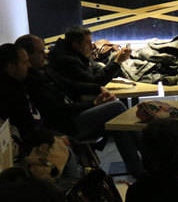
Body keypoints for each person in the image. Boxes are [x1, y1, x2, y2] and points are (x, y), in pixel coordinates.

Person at [16, 34, 143, 178]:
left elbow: (72, 85)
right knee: (117, 108)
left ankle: (138, 168)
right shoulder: (36, 80)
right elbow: (58, 109)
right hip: (67, 125)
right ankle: (144, 162)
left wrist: (97, 90)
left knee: (118, 123)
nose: (92, 46)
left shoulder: (45, 70)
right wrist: (93, 102)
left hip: (72, 115)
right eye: (40, 51)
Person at [47, 25, 131, 100]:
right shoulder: (67, 61)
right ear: (76, 45)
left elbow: (97, 70)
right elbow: (94, 83)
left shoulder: (78, 54)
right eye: (87, 42)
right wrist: (117, 62)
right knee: (116, 104)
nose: (91, 46)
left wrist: (115, 62)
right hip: (79, 104)